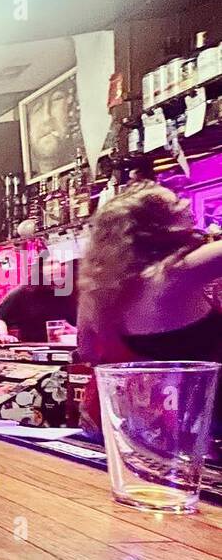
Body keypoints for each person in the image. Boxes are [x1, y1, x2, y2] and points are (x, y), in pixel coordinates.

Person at [77, 181, 222, 442]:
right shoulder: (176, 273)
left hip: (135, 426)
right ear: (151, 228)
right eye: (175, 203)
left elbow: (86, 350)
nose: (188, 202)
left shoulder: (98, 289)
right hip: (199, 425)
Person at [0, 280, 77, 342]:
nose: (56, 267)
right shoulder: (26, 291)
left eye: (62, 264)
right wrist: (2, 336)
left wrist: (77, 333)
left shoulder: (81, 291)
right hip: (33, 359)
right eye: (50, 263)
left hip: (76, 357)